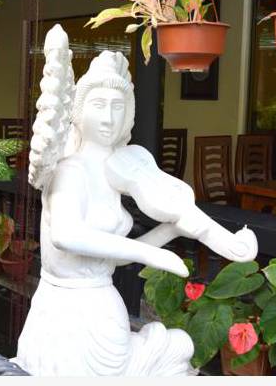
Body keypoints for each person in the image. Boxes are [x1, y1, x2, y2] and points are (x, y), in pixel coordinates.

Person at [14, 25, 257, 376]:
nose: (109, 118)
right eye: (99, 105)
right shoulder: (71, 169)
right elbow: (66, 235)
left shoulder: (115, 172)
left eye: (118, 107)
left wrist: (170, 231)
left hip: (102, 313)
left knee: (180, 348)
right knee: (173, 353)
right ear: (79, 111)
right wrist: (152, 255)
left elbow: (109, 256)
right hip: (70, 317)